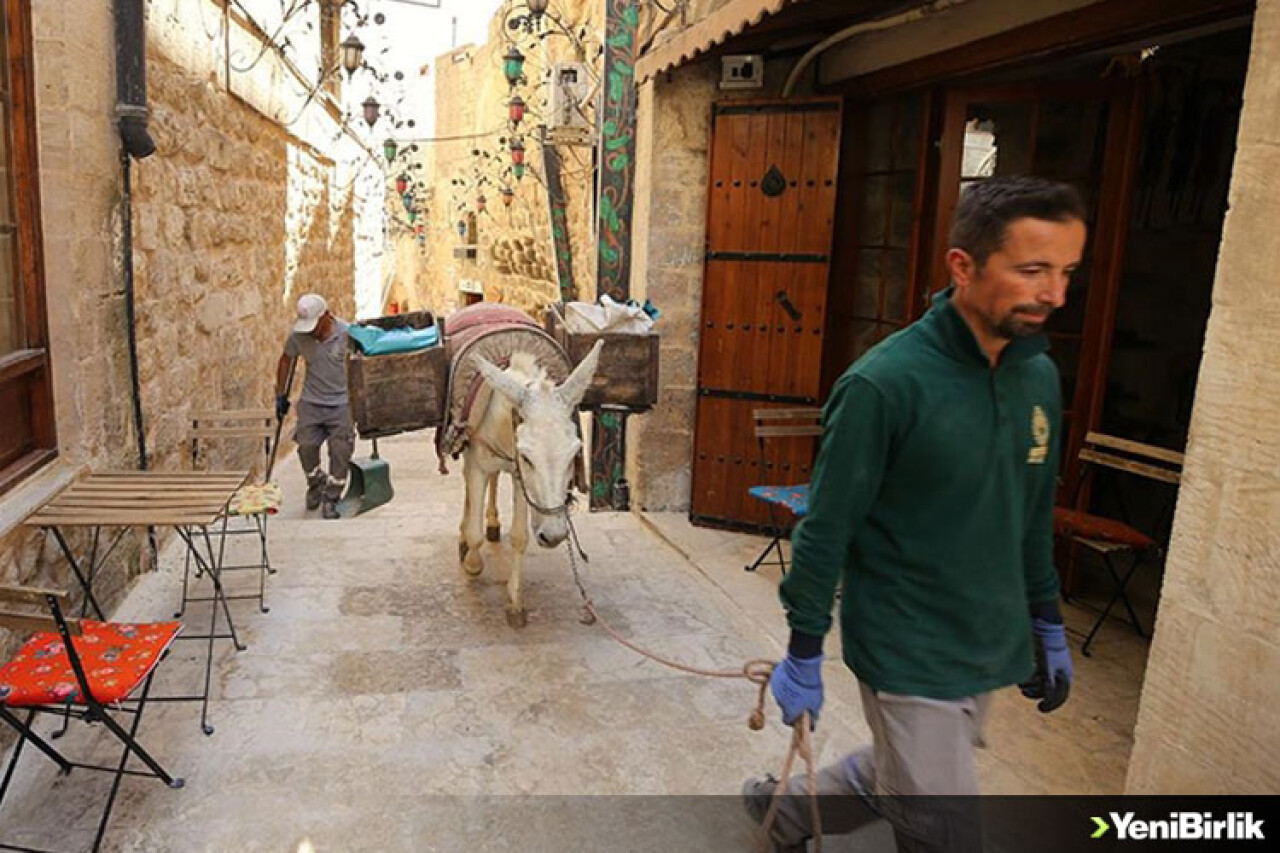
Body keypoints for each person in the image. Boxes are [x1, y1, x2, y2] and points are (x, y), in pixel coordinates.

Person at [744, 176, 1084, 852]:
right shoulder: (884, 384)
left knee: (895, 775)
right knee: (942, 828)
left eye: (1067, 271)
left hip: (984, 635)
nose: (1056, 293)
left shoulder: (1038, 376)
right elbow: (827, 525)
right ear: (963, 266)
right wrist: (804, 650)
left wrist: (1044, 616)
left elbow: (1031, 510)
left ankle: (785, 813)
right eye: (1033, 270)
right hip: (905, 643)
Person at [275, 294, 353, 519]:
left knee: (340, 452)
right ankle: (316, 482)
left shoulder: (347, 334)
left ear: (326, 316)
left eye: (314, 325)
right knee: (306, 447)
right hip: (312, 402)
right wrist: (281, 394)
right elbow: (286, 359)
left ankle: (332, 496)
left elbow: (362, 363)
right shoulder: (299, 336)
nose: (310, 331)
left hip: (341, 403)